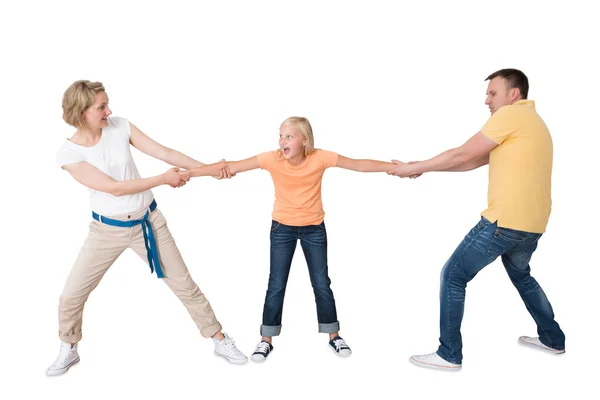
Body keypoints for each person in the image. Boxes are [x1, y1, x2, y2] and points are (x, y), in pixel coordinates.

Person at [47, 80, 247, 376]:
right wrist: (163, 180)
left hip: (148, 223)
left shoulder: (120, 126)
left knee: (184, 284)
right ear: (81, 112)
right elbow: (115, 188)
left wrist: (207, 170)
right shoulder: (69, 154)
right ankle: (69, 346)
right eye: (102, 107)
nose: (109, 110)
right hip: (105, 232)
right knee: (71, 296)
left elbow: (165, 153)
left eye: (107, 104)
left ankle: (218, 339)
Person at [388, 69, 566, 371]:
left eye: (492, 93)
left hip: (505, 221)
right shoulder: (533, 123)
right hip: (532, 225)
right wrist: (424, 169)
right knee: (522, 276)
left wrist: (414, 166)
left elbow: (461, 153)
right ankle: (553, 338)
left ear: (514, 94)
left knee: (454, 275)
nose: (487, 100)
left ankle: (449, 354)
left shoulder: (511, 116)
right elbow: (471, 160)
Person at [183, 116, 395, 362]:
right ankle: (266, 340)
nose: (282, 141)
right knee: (277, 284)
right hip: (282, 229)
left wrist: (393, 167)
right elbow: (232, 166)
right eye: (280, 135)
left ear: (304, 140)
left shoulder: (320, 157)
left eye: (288, 136)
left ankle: (333, 335)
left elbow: (358, 164)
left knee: (321, 282)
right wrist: (192, 172)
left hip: (314, 229)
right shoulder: (272, 159)